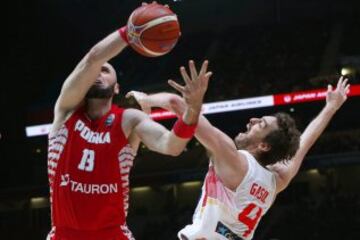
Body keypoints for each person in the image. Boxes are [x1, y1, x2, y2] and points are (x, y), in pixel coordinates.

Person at [46, 4, 213, 240]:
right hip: (65, 234)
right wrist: (131, 31)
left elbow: (172, 146)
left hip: (113, 234)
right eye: (95, 72)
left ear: (116, 87)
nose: (97, 73)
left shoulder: (129, 119)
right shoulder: (65, 111)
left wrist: (193, 110)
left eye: (105, 71)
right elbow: (94, 59)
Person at [127, 75, 350, 240]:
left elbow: (178, 105)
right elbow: (304, 144)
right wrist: (330, 107)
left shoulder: (233, 159)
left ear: (263, 145)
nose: (252, 120)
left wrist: (145, 99)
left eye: (260, 124)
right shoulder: (277, 180)